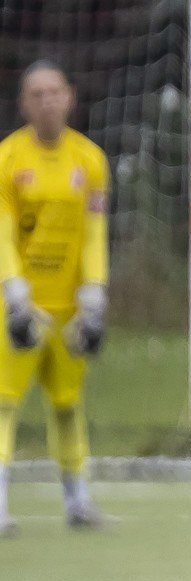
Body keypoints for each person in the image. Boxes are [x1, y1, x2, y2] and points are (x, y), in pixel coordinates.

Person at [1, 60, 111, 536]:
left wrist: (94, 292)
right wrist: (12, 288)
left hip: (68, 308)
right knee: (4, 403)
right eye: (36, 94)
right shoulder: (8, 159)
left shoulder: (90, 160)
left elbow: (93, 232)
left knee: (67, 404)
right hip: (20, 304)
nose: (47, 101)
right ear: (24, 103)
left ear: (70, 96)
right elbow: (2, 229)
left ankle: (78, 502)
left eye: (54, 91)